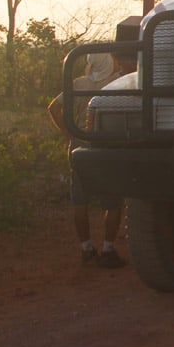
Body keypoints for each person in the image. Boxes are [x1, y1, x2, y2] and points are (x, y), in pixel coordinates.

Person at [47, 53, 126, 269]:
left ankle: (86, 247)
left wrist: (69, 133)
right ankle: (108, 248)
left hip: (79, 145)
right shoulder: (118, 84)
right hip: (107, 147)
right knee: (113, 200)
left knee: (80, 200)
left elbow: (54, 107)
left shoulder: (79, 83)